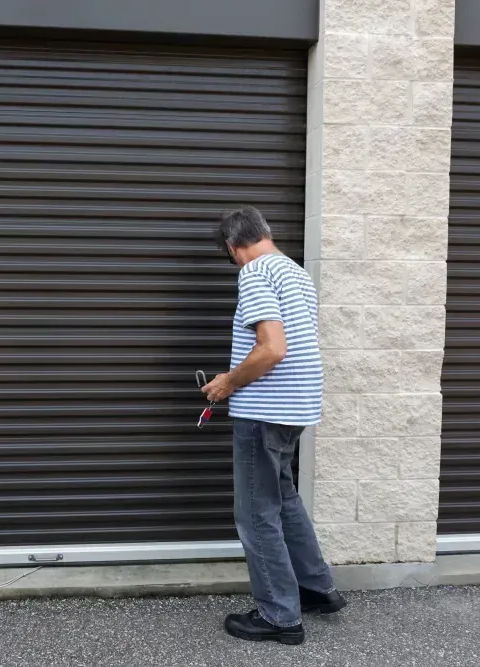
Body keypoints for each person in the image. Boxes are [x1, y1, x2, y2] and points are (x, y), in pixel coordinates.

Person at [201, 206, 346, 646]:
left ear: (232, 247)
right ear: (267, 232)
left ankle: (279, 616)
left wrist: (226, 382)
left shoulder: (255, 273)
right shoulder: (294, 272)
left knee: (255, 514)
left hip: (264, 410)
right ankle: (317, 589)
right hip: (296, 408)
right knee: (283, 498)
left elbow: (272, 349)